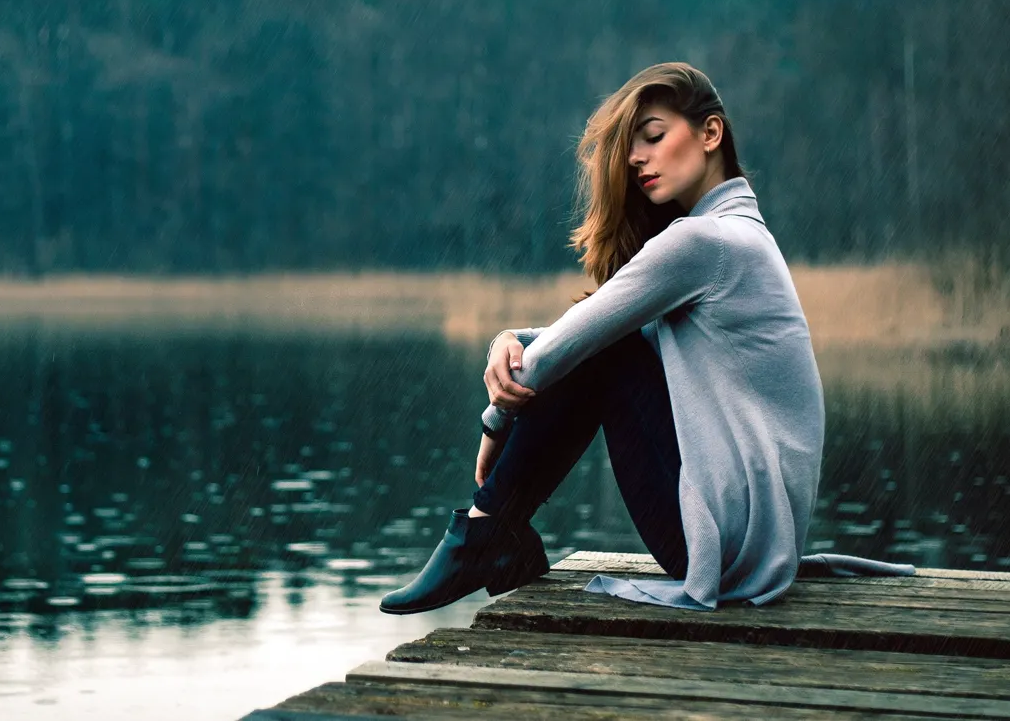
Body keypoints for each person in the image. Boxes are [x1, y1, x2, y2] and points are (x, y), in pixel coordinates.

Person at [379, 61, 912, 615]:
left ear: (711, 133)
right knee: (609, 350)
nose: (637, 159)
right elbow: (591, 335)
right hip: (750, 543)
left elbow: (583, 342)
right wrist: (509, 338)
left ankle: (484, 534)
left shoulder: (706, 243)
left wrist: (495, 422)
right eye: (633, 149)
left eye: (654, 137)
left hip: (721, 546)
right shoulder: (741, 238)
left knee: (607, 354)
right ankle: (490, 537)